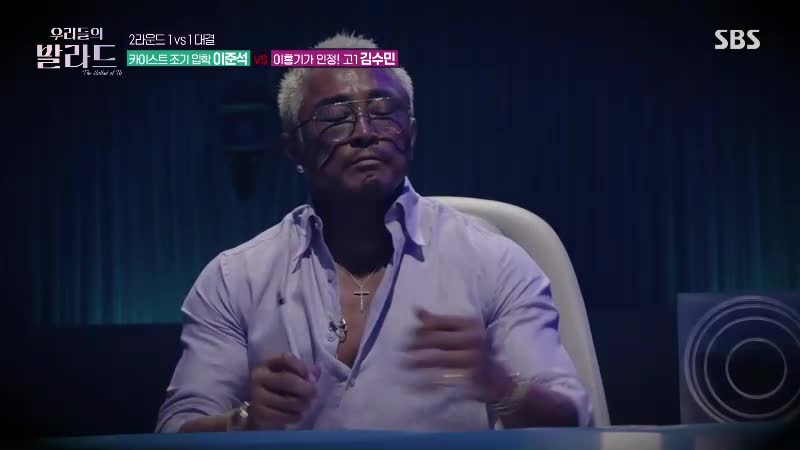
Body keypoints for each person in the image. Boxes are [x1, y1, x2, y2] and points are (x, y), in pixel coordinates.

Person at [156, 32, 592, 432]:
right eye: (335, 117)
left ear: (412, 135)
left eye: (384, 113)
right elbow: (174, 431)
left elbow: (573, 418)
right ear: (294, 149)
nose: (364, 133)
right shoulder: (236, 278)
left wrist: (500, 387)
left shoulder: (493, 261)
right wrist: (244, 421)